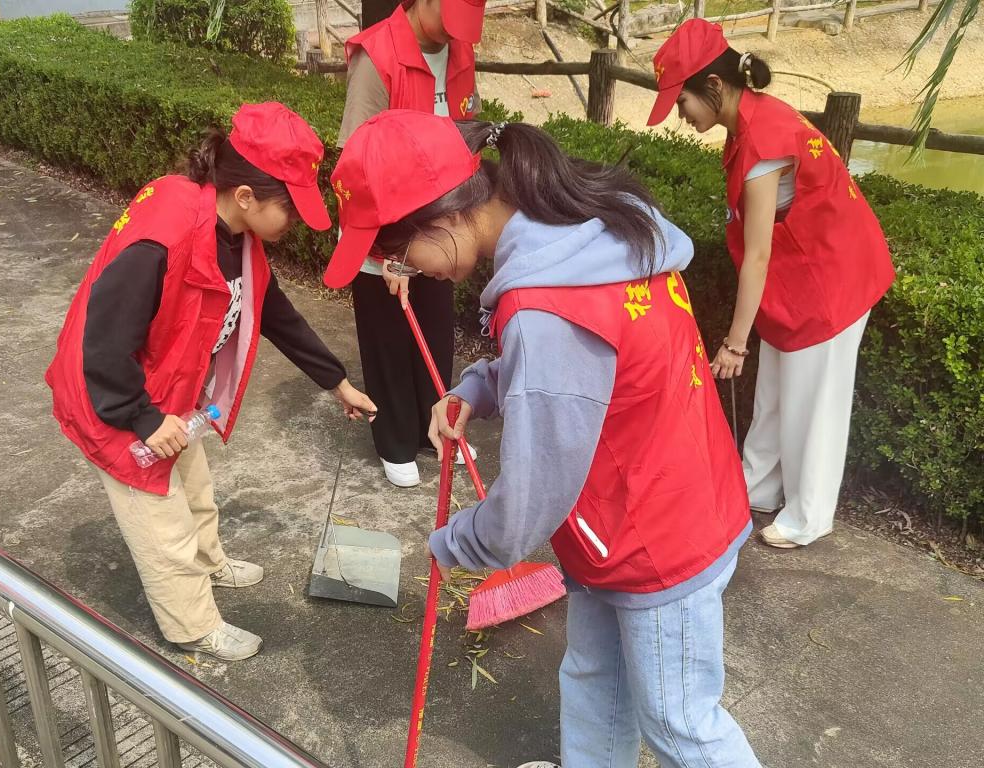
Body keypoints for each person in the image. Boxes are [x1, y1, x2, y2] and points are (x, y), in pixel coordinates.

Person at [324, 109, 761, 768]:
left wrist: (454, 544)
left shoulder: (546, 305)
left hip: (656, 540)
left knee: (680, 724)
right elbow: (588, 370)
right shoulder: (583, 234)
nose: (404, 272)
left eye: (398, 255)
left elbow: (529, 501)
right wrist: (478, 388)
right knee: (595, 678)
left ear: (444, 218)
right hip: (654, 504)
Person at [46, 102, 376, 661]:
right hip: (115, 397)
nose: (295, 222)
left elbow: (272, 311)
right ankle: (193, 625)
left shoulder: (235, 232)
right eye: (290, 208)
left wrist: (336, 381)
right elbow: (100, 340)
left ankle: (209, 562)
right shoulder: (166, 234)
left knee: (196, 488)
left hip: (169, 390)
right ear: (246, 195)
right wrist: (141, 417)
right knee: (163, 523)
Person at [646, 19, 895, 549]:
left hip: (833, 278)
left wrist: (735, 343)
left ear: (714, 86)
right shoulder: (749, 122)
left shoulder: (763, 140)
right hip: (803, 271)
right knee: (778, 387)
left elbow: (756, 254)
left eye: (682, 102)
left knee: (813, 399)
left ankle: (809, 516)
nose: (680, 115)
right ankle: (756, 485)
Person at [328, 0, 485, 488]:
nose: (453, 36)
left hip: (438, 232)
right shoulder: (377, 56)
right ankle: (394, 440)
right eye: (449, 20)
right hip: (382, 231)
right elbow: (358, 162)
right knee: (389, 342)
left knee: (434, 334)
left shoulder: (459, 51)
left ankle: (431, 428)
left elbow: (467, 136)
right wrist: (388, 252)